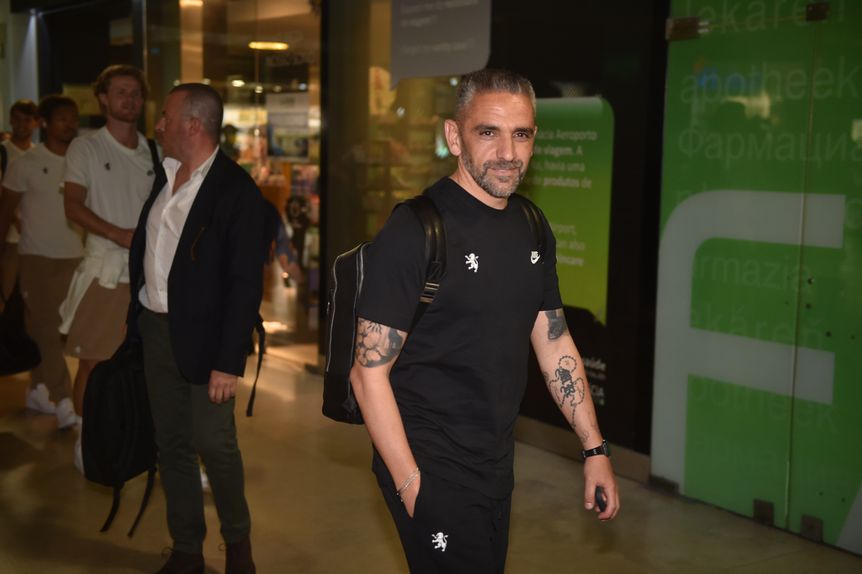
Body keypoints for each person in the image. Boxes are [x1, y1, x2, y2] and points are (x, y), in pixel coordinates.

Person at [350, 69, 620, 574]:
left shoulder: (532, 227)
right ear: (455, 137)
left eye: (521, 134)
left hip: (495, 461)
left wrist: (594, 448)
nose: (508, 153)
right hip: (429, 462)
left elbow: (555, 344)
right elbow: (367, 375)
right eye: (488, 132)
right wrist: (411, 484)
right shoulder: (416, 230)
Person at [127, 83, 265, 574]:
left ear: (192, 124)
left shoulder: (236, 191)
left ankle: (238, 544)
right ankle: (186, 548)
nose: (157, 124)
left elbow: (245, 286)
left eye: (165, 116)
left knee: (214, 443)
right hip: (156, 330)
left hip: (208, 342)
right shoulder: (164, 176)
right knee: (172, 445)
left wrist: (229, 362)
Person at [58, 65, 156, 469]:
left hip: (149, 278)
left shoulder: (155, 150)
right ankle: (87, 438)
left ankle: (146, 445)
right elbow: (73, 205)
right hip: (106, 271)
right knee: (95, 362)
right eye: (120, 92)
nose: (129, 100)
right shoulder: (86, 148)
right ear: (102, 98)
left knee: (149, 366)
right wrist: (119, 234)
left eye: (135, 93)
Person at [0, 95, 83, 428]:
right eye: (62, 118)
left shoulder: (81, 161)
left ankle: (36, 389)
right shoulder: (27, 163)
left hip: (75, 257)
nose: (69, 124)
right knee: (47, 328)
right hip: (35, 258)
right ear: (45, 123)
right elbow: (6, 210)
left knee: (52, 331)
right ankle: (64, 399)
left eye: (73, 118)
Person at [0, 99, 39, 304]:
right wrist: (14, 219)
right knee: (7, 293)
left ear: (36, 123)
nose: (21, 125)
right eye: (16, 120)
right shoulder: (3, 152)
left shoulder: (38, 154)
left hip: (36, 241)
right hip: (11, 238)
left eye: (27, 120)